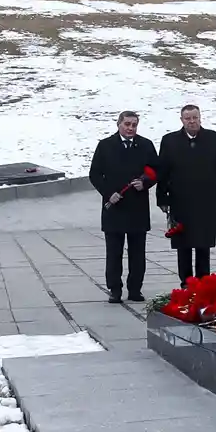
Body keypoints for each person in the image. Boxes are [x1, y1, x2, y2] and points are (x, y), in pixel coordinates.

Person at [157, 104, 216, 285]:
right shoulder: (169, 141)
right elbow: (163, 172)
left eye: (194, 117)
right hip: (180, 201)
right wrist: (162, 197)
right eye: (187, 118)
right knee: (183, 245)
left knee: (203, 244)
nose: (192, 121)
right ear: (181, 120)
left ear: (200, 118)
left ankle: (203, 282)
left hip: (207, 201)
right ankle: (186, 282)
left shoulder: (214, 138)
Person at [90, 111, 159, 302]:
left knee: (138, 252)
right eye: (127, 124)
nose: (130, 128)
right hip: (115, 207)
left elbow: (156, 169)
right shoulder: (105, 145)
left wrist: (145, 183)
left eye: (134, 125)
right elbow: (95, 174)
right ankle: (115, 289)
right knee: (114, 252)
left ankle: (135, 289)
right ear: (118, 124)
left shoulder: (145, 145)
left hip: (138, 207)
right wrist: (108, 193)